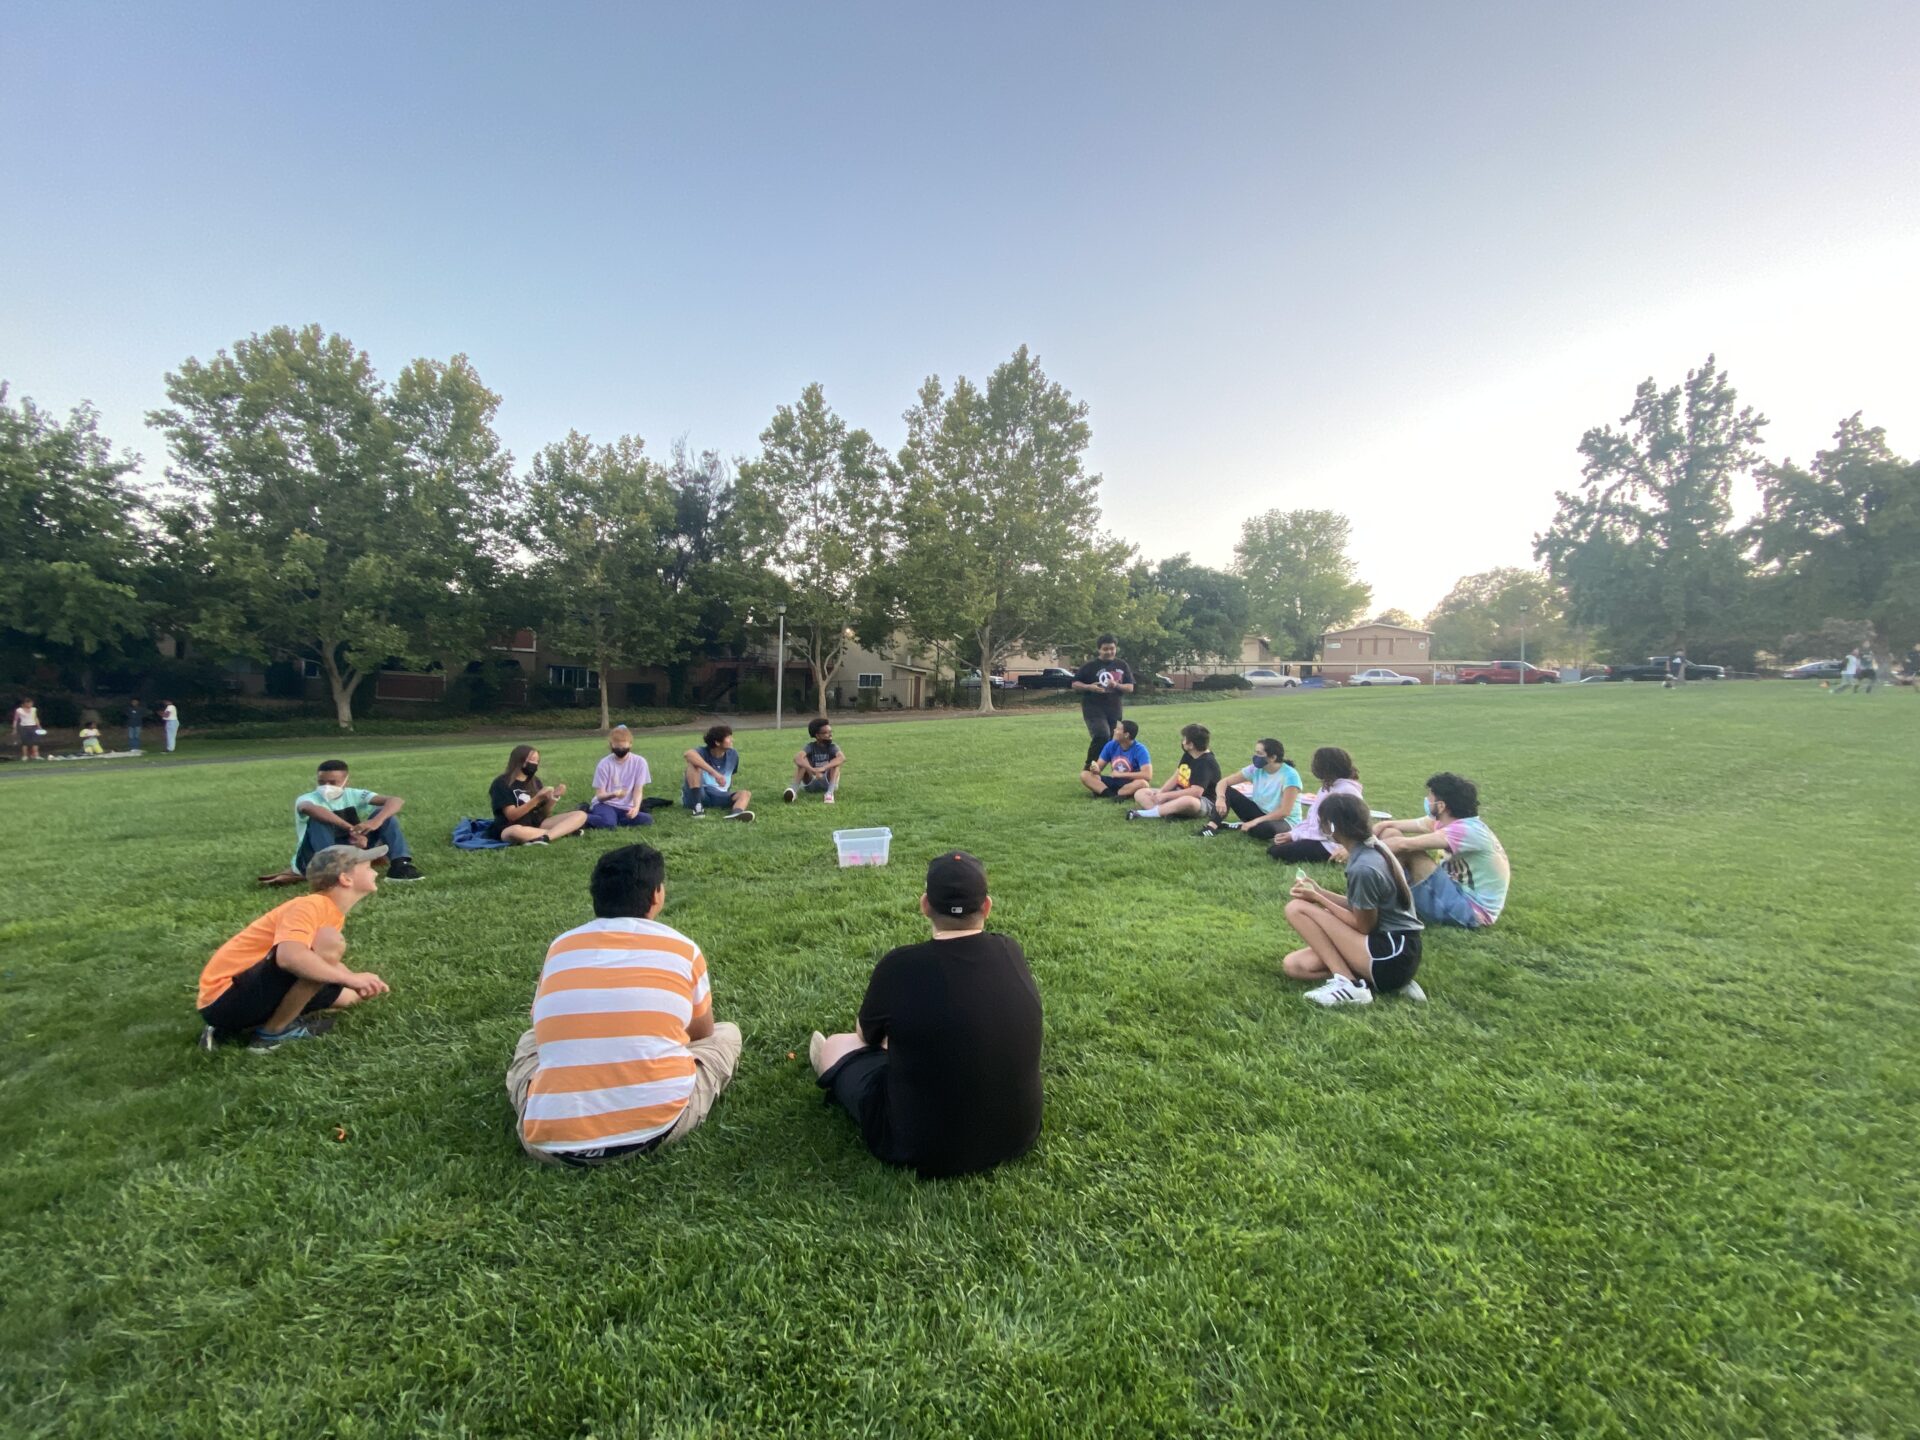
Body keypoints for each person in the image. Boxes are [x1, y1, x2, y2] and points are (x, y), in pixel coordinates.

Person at [810, 851, 1043, 1178]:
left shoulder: (900, 965)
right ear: (987, 906)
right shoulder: (1010, 950)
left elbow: (865, 1036)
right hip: (1018, 1132)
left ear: (925, 905)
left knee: (836, 1045)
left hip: (920, 1145)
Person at [506, 843, 742, 1166]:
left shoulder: (560, 947)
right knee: (727, 1034)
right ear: (657, 894)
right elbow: (703, 1033)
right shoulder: (683, 950)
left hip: (551, 1145)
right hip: (654, 1130)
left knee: (530, 1041)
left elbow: (540, 1027)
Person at [196, 843, 392, 1052]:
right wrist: (350, 979)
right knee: (329, 942)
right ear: (345, 879)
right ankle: (271, 1036)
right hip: (225, 998)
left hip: (241, 994)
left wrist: (358, 982)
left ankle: (240, 1027)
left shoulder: (328, 910)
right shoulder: (310, 906)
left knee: (351, 998)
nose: (374, 871)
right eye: (368, 866)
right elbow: (290, 957)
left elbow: (320, 960)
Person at [1281, 793, 1424, 1007]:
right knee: (1295, 965)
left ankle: (1350, 985)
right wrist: (1321, 892)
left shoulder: (1363, 867)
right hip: (1397, 953)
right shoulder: (1373, 848)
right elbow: (1363, 907)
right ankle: (1378, 983)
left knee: (1297, 909)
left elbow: (1364, 925)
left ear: (1332, 826)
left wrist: (1318, 898)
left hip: (1390, 953)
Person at [1364, 771, 1511, 930]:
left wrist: (1356, 849)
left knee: (1409, 851)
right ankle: (1378, 904)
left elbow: (1403, 845)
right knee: (1390, 834)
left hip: (1470, 912)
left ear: (1441, 806)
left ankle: (1374, 906)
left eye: (1430, 797)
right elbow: (1389, 825)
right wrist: (1377, 829)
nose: (1427, 801)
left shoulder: (1467, 831)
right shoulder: (1446, 822)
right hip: (1452, 892)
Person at [286, 760, 422, 880]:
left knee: (383, 813)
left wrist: (376, 821)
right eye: (321, 782)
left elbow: (396, 800)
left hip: (352, 846)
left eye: (333, 782)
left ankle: (400, 865)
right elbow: (310, 809)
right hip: (315, 857)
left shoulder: (354, 794)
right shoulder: (307, 799)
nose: (326, 787)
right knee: (319, 820)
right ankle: (331, 868)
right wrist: (352, 830)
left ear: (346, 781)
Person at [1266, 746, 1364, 864]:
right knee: (1277, 845)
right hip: (1320, 838)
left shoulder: (1347, 790)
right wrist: (1292, 834)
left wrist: (1348, 848)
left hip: (1330, 844)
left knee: (1276, 852)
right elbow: (1312, 819)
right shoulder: (1327, 787)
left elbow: (1356, 824)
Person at [1198, 736, 1303, 840]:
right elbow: (1223, 782)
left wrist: (1255, 821)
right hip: (1260, 812)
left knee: (1263, 829)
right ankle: (1211, 827)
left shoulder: (1290, 776)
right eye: (1255, 752)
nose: (1255, 756)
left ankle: (1239, 826)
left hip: (1284, 821)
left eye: (1259, 753)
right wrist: (1221, 798)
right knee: (1226, 791)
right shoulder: (1256, 769)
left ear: (1273, 758)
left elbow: (1284, 812)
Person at [488, 745, 589, 844]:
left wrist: (554, 797)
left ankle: (546, 837)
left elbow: (544, 813)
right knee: (514, 832)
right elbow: (512, 816)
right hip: (511, 826)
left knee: (580, 815)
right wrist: (537, 798)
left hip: (536, 824)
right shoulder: (501, 783)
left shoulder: (535, 781)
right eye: (532, 759)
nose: (535, 764)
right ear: (520, 760)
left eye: (537, 761)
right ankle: (563, 832)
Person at [1123, 723, 1222, 821]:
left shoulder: (1206, 762)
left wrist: (1166, 796)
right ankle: (1166, 812)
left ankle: (1146, 814)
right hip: (1178, 793)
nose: (1182, 742)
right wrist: (1161, 792)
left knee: (1188, 801)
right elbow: (1176, 777)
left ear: (1191, 745)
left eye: (1184, 739)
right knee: (1141, 792)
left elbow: (1196, 792)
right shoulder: (1189, 754)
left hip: (1202, 801)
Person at [1070, 634, 1135, 769]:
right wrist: (1089, 687)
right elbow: (1074, 683)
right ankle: (1089, 767)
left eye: (1112, 648)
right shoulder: (1090, 666)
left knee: (1112, 741)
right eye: (1105, 649)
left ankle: (1113, 769)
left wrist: (1116, 685)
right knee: (1101, 735)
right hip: (1093, 708)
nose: (1109, 652)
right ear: (1099, 650)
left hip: (1114, 709)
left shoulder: (1121, 665)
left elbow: (1130, 687)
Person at [682, 724, 754, 820]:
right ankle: (697, 808)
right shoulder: (702, 751)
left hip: (719, 794)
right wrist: (715, 774)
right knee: (693, 765)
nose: (732, 740)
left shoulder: (733, 754)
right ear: (717, 742)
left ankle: (736, 814)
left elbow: (731, 775)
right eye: (728, 738)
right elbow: (688, 754)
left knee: (745, 794)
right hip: (700, 793)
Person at [587, 725, 653, 828]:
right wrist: (613, 794)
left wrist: (635, 808)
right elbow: (600, 796)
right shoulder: (604, 764)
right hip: (606, 804)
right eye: (617, 747)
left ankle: (611, 819)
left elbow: (638, 790)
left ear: (630, 745)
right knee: (609, 824)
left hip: (626, 807)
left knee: (647, 819)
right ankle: (582, 817)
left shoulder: (640, 762)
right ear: (611, 745)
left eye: (623, 747)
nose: (620, 750)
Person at [1078, 718, 1152, 799]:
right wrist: (1095, 769)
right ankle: (1112, 795)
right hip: (1114, 780)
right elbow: (1099, 768)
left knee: (1143, 783)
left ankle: (1108, 792)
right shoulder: (1111, 745)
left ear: (1126, 734)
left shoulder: (1140, 750)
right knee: (1085, 775)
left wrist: (1121, 775)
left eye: (1118, 729)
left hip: (1130, 782)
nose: (1114, 730)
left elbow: (1147, 775)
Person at [784, 717, 844, 804]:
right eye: (826, 733)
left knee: (835, 763)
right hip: (811, 781)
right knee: (802, 760)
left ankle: (829, 794)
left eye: (831, 732)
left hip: (828, 782)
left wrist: (823, 768)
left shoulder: (832, 747)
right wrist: (812, 770)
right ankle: (793, 791)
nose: (830, 735)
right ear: (817, 735)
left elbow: (842, 758)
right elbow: (797, 758)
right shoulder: (810, 746)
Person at [12, 696, 43, 761]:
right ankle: (25, 756)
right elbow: (15, 720)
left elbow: (35, 717)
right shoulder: (19, 710)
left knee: (35, 742)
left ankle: (36, 755)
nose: (30, 704)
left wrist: (39, 726)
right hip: (24, 727)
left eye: (31, 703)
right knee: (25, 742)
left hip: (33, 726)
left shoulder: (34, 709)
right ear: (24, 704)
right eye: (28, 703)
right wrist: (14, 728)